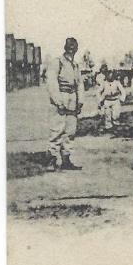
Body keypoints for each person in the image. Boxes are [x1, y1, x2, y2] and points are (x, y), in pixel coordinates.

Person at [45, 37, 85, 172]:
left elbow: (80, 84)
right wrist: (58, 101)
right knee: (57, 129)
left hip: (73, 98)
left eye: (74, 46)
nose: (72, 48)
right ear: (65, 47)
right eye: (70, 46)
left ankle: (66, 159)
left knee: (70, 131)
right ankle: (51, 159)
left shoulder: (76, 65)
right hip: (61, 96)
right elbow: (51, 83)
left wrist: (80, 102)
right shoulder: (57, 62)